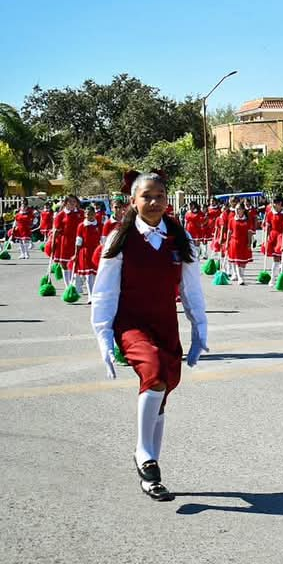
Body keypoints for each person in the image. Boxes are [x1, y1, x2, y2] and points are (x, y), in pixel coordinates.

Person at [90, 171, 208, 501]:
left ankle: (151, 477)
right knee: (154, 374)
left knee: (162, 391)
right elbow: (104, 292)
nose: (154, 202)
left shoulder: (179, 238)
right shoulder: (120, 239)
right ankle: (144, 454)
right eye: (147, 196)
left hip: (165, 325)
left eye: (160, 195)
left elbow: (191, 288)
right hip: (131, 324)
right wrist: (103, 336)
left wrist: (200, 328)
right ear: (133, 201)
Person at [51, 195, 82, 288]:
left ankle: (76, 283)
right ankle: (67, 286)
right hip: (65, 242)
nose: (73, 204)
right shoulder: (60, 215)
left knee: (77, 263)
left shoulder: (82, 213)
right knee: (64, 264)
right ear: (65, 203)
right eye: (70, 202)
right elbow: (56, 230)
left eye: (74, 202)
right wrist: (53, 244)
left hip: (78, 241)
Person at [72, 205, 102, 299]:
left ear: (95, 214)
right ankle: (90, 295)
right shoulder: (81, 226)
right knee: (89, 275)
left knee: (96, 275)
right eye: (88, 214)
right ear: (85, 214)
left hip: (97, 252)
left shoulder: (100, 225)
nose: (90, 216)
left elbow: (103, 240)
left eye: (92, 214)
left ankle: (96, 293)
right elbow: (78, 241)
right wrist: (76, 254)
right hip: (85, 252)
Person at [224, 200, 254, 284]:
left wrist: (249, 243)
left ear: (243, 210)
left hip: (244, 242)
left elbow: (249, 232)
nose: (237, 211)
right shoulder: (232, 219)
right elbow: (229, 232)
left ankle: (241, 275)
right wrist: (227, 243)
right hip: (234, 242)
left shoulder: (247, 220)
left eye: (239, 209)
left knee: (243, 261)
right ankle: (240, 277)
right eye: (236, 209)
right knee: (237, 261)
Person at [263, 196, 283, 281]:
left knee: (282, 258)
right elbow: (268, 227)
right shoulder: (270, 213)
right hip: (273, 236)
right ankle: (272, 278)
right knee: (275, 258)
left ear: (280, 204)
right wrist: (266, 239)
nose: (273, 204)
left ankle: (281, 278)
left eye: (275, 203)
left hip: (282, 236)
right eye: (273, 203)